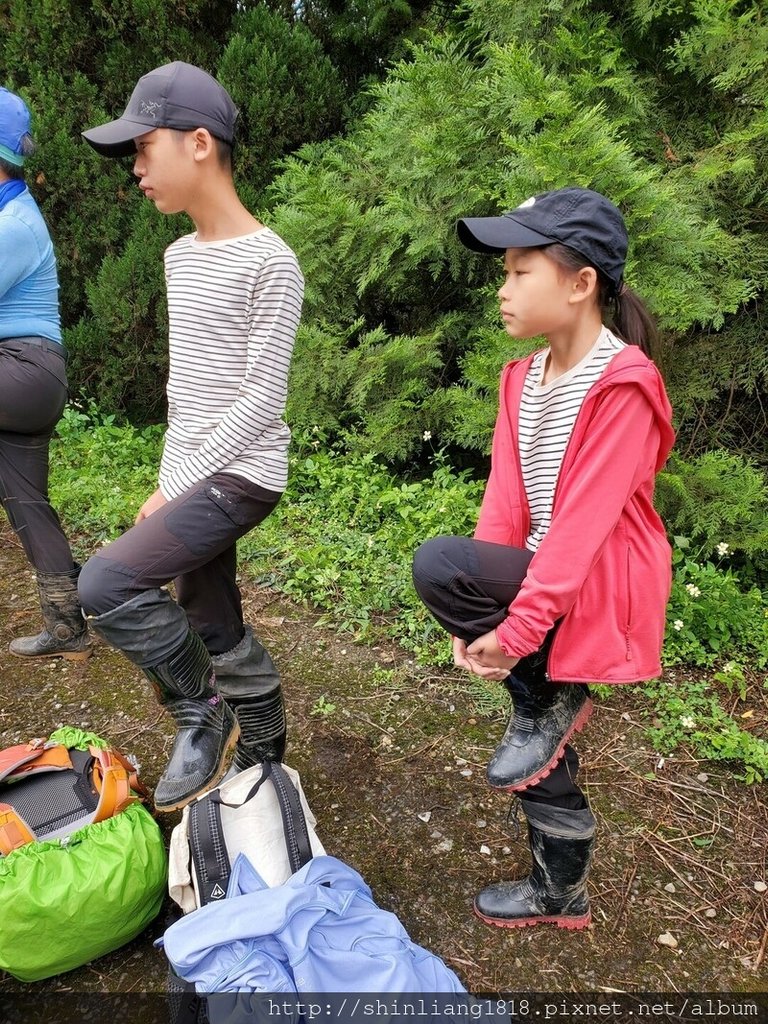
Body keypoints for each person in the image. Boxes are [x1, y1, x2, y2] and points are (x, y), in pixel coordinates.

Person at [412, 187, 675, 930]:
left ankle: (545, 697)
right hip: (544, 579)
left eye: (520, 271)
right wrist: (476, 615)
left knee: (438, 565)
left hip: (597, 582)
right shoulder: (524, 380)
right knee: (531, 744)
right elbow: (505, 508)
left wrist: (518, 630)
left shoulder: (623, 384)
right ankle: (561, 892)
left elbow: (583, 532)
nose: (503, 289)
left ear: (581, 282)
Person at [78, 62, 304, 812]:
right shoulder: (180, 257)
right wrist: (167, 478)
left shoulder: (271, 261)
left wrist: (181, 485)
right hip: (198, 468)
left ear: (199, 142)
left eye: (144, 148)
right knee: (207, 608)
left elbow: (260, 401)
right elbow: (188, 394)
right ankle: (265, 748)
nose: (137, 169)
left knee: (107, 584)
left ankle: (204, 713)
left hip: (244, 473)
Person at [0, 87, 90, 661]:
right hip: (28, 378)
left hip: (22, 368)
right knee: (25, 499)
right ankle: (68, 624)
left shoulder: (15, 224)